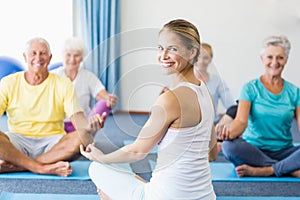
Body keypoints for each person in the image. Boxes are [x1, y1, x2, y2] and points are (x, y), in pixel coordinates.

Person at [80, 19, 217, 200]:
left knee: (98, 169)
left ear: (192, 52)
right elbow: (213, 153)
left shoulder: (169, 99)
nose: (163, 55)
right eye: (160, 48)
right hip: (206, 196)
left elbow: (138, 151)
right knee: (125, 175)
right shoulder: (206, 93)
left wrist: (100, 157)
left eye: (173, 49)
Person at [0, 37, 105, 176]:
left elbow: (78, 120)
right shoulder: (8, 82)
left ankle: (21, 166)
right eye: (33, 53)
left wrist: (90, 126)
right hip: (18, 140)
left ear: (50, 58)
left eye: (43, 53)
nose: (38, 58)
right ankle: (42, 167)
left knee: (84, 137)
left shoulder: (63, 84)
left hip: (52, 143)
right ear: (25, 57)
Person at [216, 35, 300, 178]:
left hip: (284, 150)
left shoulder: (295, 92)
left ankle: (267, 170)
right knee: (229, 146)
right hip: (253, 150)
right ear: (262, 59)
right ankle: (287, 169)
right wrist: (227, 134)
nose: (274, 62)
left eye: (280, 57)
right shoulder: (250, 88)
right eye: (270, 57)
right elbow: (241, 122)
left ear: (286, 60)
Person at [52, 37, 118, 133]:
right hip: (58, 125)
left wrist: (110, 99)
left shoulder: (88, 76)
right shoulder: (53, 75)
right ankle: (73, 141)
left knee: (105, 103)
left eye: (76, 55)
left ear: (82, 58)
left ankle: (78, 138)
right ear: (63, 55)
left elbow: (102, 95)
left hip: (83, 124)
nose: (72, 59)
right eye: (68, 55)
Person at [194, 42, 235, 124]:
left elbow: (232, 107)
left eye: (205, 58)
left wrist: (225, 119)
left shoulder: (218, 82)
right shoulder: (182, 80)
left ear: (210, 60)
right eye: (198, 57)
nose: (201, 61)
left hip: (212, 125)